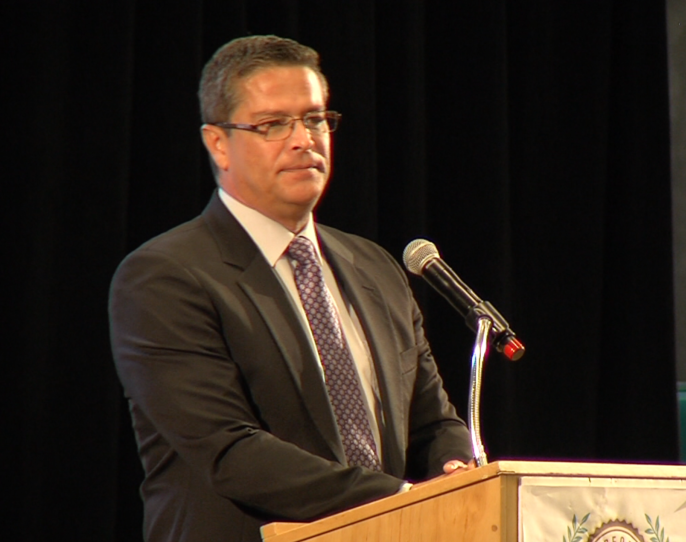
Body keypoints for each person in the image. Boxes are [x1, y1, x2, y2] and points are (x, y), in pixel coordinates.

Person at [110, 35, 473, 542]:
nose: (304, 139)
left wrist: (458, 472)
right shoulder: (165, 276)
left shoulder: (376, 268)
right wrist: (399, 500)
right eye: (273, 124)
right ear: (218, 143)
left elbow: (433, 423)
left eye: (316, 118)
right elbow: (231, 452)